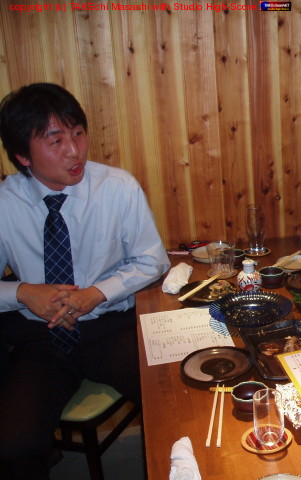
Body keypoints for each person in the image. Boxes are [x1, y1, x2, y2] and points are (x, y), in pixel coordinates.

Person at [0, 83, 170, 479]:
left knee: (174, 398)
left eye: (78, 133)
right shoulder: (5, 203)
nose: (75, 151)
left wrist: (97, 293)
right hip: (42, 339)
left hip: (111, 328)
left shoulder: (117, 186)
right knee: (12, 446)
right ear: (23, 155)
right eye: (56, 141)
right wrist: (24, 292)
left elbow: (152, 259)